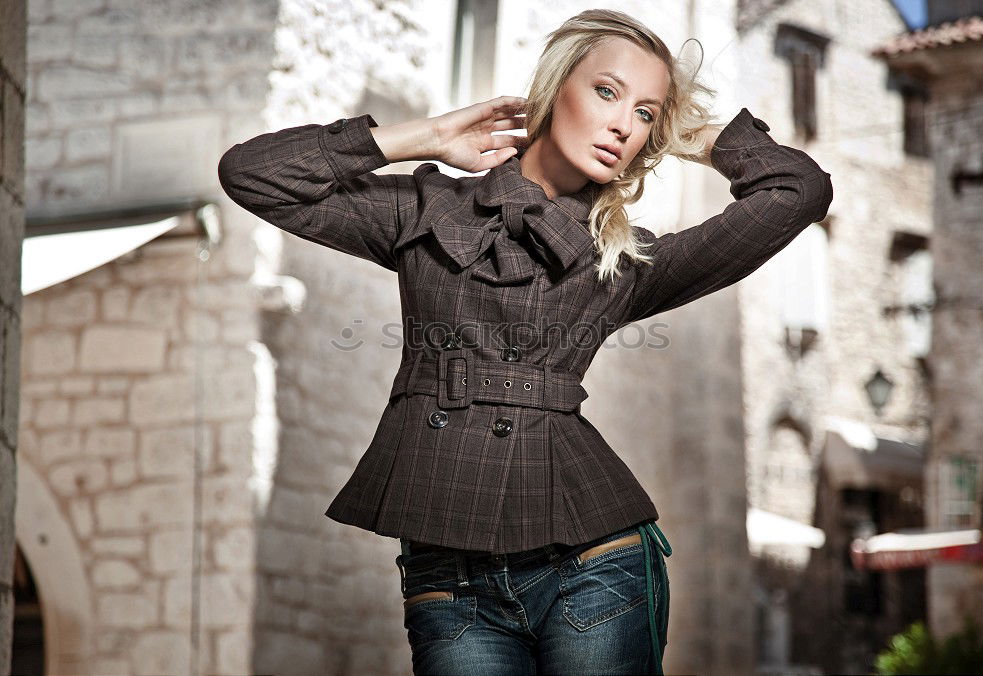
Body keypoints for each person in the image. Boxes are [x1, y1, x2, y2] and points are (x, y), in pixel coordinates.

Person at [218, 7, 833, 674]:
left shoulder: (620, 264)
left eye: (647, 114)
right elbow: (252, 173)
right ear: (554, 88)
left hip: (594, 561)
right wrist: (425, 136)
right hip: (448, 579)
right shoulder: (424, 211)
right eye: (607, 91)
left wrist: (689, 135)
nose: (624, 124)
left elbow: (798, 190)